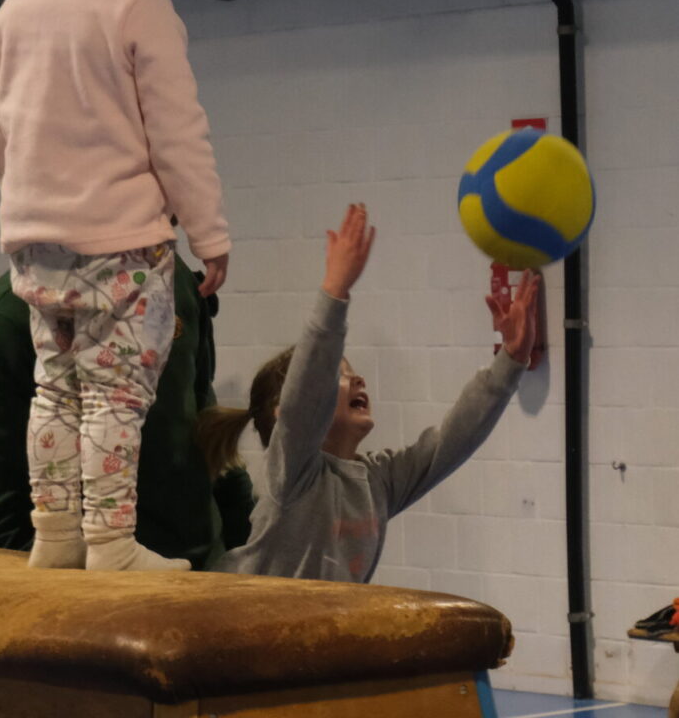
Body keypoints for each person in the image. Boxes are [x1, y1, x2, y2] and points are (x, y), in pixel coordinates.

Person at [0, 0, 231, 571]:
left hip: (36, 247)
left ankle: (54, 537)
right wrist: (209, 234)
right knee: (116, 396)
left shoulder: (14, 9)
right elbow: (177, 135)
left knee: (53, 389)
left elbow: (3, 133)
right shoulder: (136, 6)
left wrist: (30, 210)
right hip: (120, 248)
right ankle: (112, 545)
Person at [200, 204, 539, 584]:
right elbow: (307, 395)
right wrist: (335, 293)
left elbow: (452, 443)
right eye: (341, 375)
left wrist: (510, 361)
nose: (358, 379)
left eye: (352, 371)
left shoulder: (376, 481)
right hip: (244, 624)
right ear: (285, 413)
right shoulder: (292, 473)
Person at [0, 260, 254, 570]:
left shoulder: (172, 279)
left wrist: (250, 548)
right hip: (100, 595)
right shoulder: (0, 323)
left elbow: (206, 430)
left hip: (205, 576)